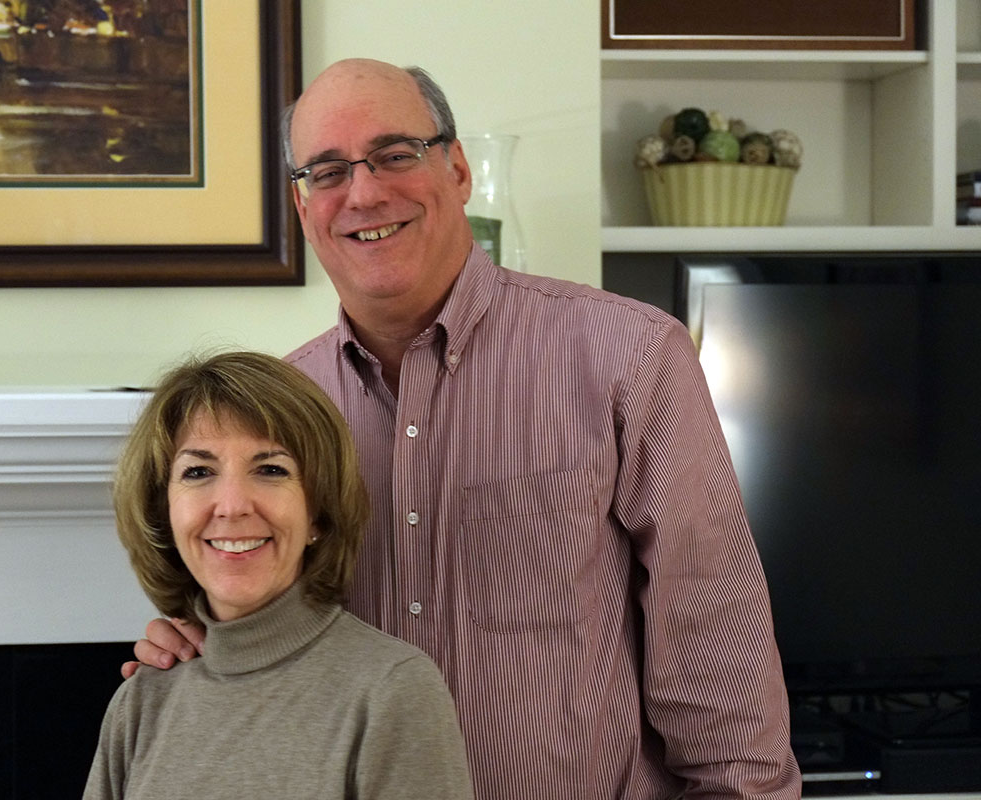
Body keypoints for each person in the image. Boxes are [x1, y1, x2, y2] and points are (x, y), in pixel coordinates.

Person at [124, 60, 802, 799]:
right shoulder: (277, 419)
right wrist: (202, 644)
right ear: (302, 203)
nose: (363, 193)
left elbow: (716, 658)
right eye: (328, 171)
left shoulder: (628, 357)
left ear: (456, 168)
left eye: (394, 155)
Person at [86, 351, 473, 800]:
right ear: (165, 512)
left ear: (317, 513)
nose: (233, 506)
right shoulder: (140, 702)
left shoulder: (392, 690)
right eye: (198, 471)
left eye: (271, 469)